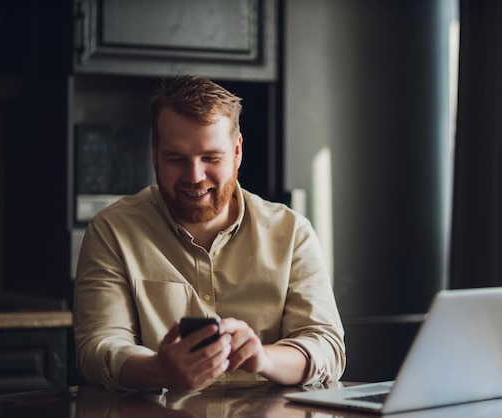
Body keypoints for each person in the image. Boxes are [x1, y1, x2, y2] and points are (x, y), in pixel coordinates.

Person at [73, 76, 346, 391]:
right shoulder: (112, 231)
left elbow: (327, 346)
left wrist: (264, 359)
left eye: (211, 158)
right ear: (154, 154)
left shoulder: (292, 232)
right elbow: (97, 347)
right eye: (176, 159)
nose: (194, 176)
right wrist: (157, 369)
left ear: (237, 151)